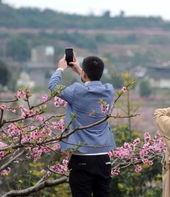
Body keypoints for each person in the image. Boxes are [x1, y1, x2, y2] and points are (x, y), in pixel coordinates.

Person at [48, 53, 116, 197]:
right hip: (103, 158)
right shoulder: (109, 91)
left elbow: (53, 86)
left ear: (84, 74)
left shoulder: (76, 91)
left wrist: (61, 68)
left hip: (81, 157)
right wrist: (80, 70)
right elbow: (93, 85)